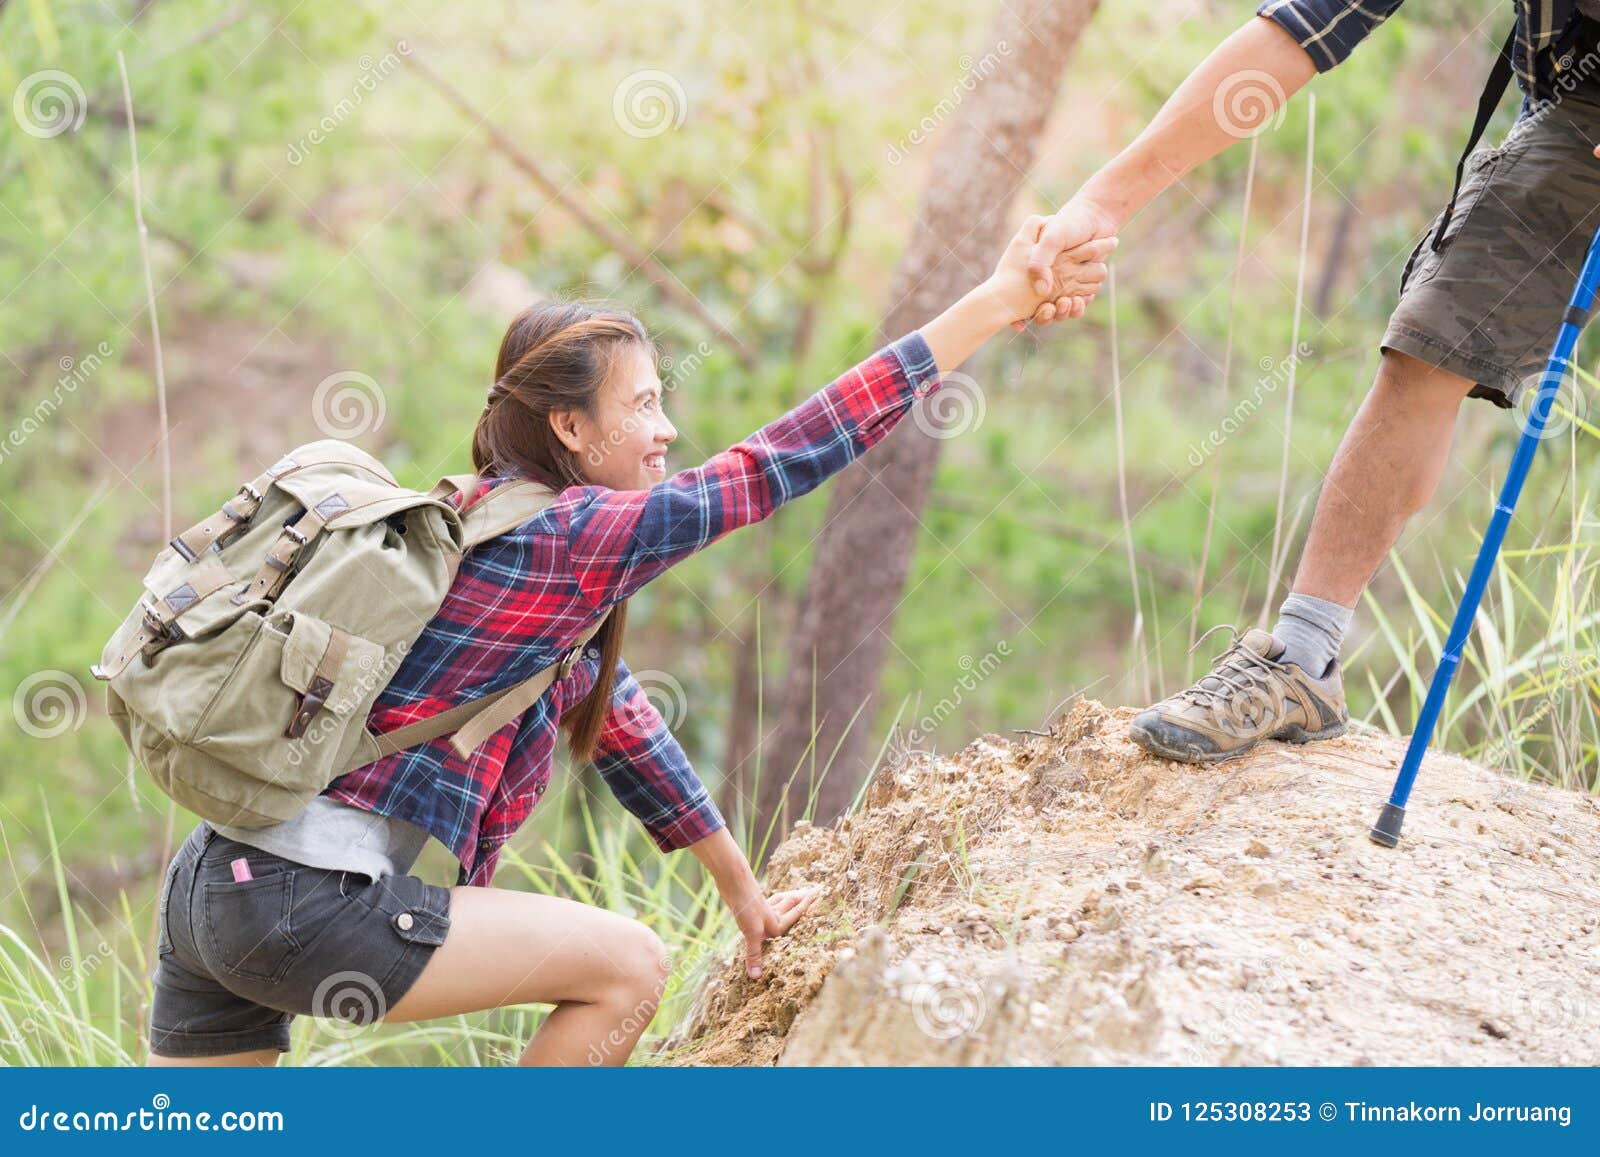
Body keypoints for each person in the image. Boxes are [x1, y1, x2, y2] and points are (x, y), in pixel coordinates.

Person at [144, 218, 1116, 1066]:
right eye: (643, 404)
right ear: (570, 424)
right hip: (303, 900)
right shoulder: (567, 537)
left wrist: (744, 893)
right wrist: (992, 302)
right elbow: (781, 459)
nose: (667, 427)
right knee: (629, 967)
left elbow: (621, 725)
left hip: (207, 892)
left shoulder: (478, 522)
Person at [1024, 2, 1600, 763]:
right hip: (1579, 114)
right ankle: (1304, 659)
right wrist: (1101, 201)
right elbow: (1299, 30)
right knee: (1433, 337)